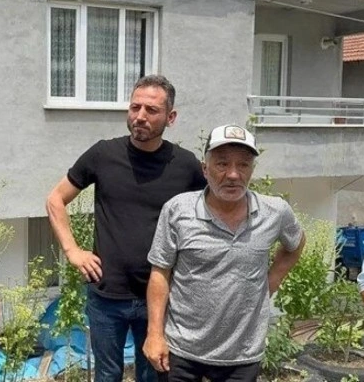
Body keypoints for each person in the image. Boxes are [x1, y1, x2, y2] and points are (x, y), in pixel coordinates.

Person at [46, 75, 207, 382]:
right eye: (135, 107)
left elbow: (211, 212)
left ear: (170, 117)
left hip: (158, 299)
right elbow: (55, 199)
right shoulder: (103, 155)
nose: (140, 116)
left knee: (153, 376)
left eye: (151, 110)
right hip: (106, 295)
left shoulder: (185, 165)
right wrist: (72, 251)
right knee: (107, 375)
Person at [144, 124, 305, 382]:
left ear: (252, 170)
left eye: (243, 165)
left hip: (242, 355)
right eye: (222, 164)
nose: (233, 174)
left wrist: (270, 282)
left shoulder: (274, 212)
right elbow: (160, 272)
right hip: (182, 350)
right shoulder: (178, 210)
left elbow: (295, 244)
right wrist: (154, 334)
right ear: (204, 169)